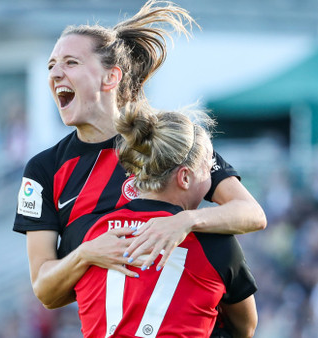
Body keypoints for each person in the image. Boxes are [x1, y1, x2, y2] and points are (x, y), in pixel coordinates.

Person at [13, 0, 266, 310]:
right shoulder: (44, 169)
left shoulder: (167, 138)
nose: (55, 73)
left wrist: (185, 221)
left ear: (111, 77)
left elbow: (251, 214)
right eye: (51, 65)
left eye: (71, 62)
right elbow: (45, 290)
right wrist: (86, 254)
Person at [71, 104, 258, 338]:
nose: (213, 174)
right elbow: (246, 327)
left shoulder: (95, 233)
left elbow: (50, 294)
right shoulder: (214, 242)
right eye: (208, 168)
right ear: (185, 177)